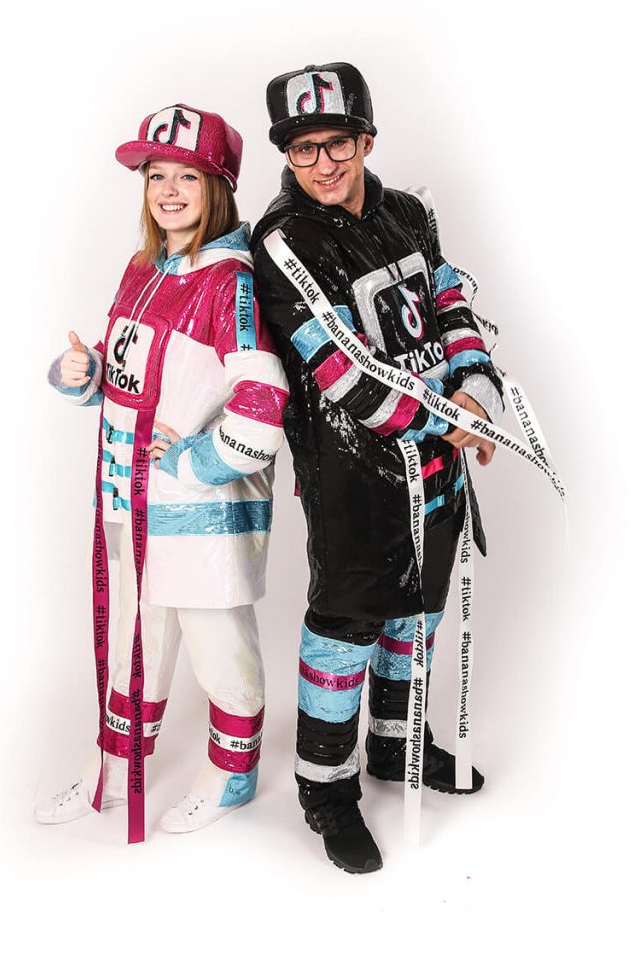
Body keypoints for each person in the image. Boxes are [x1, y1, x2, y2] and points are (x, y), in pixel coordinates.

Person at [251, 63, 503, 873]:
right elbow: (343, 372)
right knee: (345, 631)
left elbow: (450, 302)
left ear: (365, 139)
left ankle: (398, 747)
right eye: (302, 149)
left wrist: (473, 388)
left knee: (417, 615)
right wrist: (448, 420)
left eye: (335, 143)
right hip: (353, 478)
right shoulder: (283, 240)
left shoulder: (408, 212)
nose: (322, 163)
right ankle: (327, 792)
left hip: (439, 466)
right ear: (286, 156)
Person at [35, 104, 288, 842]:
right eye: (156, 176)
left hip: (202, 515)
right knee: (132, 643)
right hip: (129, 502)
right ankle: (115, 766)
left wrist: (193, 459)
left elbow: (263, 400)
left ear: (219, 187)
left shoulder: (230, 281)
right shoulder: (142, 268)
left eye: (187, 176)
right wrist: (82, 372)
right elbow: (134, 378)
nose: (168, 191)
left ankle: (231, 774)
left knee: (218, 648)